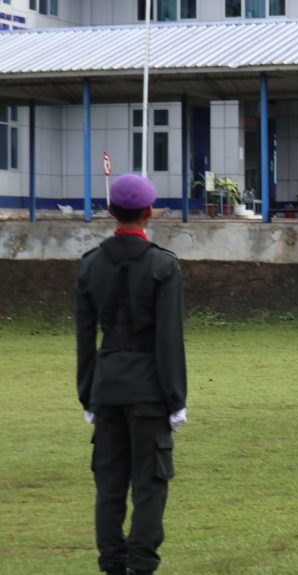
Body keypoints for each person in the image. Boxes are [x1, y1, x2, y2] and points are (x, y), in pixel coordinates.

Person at [76, 174, 188, 575]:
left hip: (106, 388)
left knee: (109, 487)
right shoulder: (163, 265)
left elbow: (85, 337)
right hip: (149, 391)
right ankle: (141, 567)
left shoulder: (89, 266)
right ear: (147, 212)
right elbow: (168, 339)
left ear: (110, 213)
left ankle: (112, 566)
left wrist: (86, 394)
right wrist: (176, 400)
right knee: (149, 486)